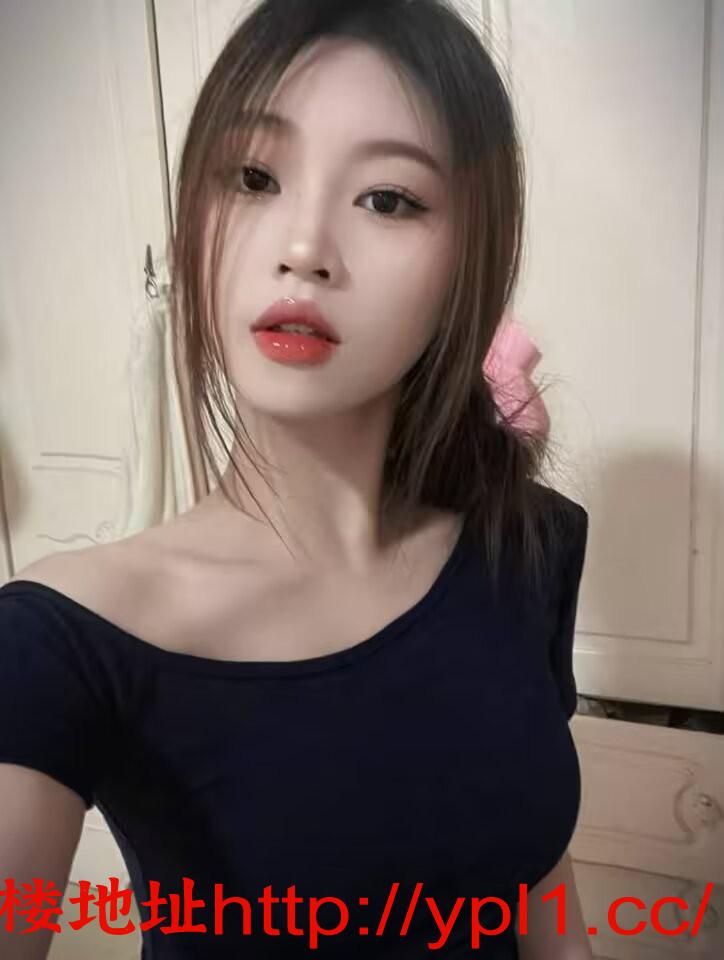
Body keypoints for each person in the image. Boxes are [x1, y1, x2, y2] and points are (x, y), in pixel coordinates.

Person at [0, 0, 592, 956]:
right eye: (253, 177)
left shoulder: (526, 543)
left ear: (468, 262)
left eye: (388, 199)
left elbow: (538, 886)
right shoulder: (61, 641)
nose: (304, 248)